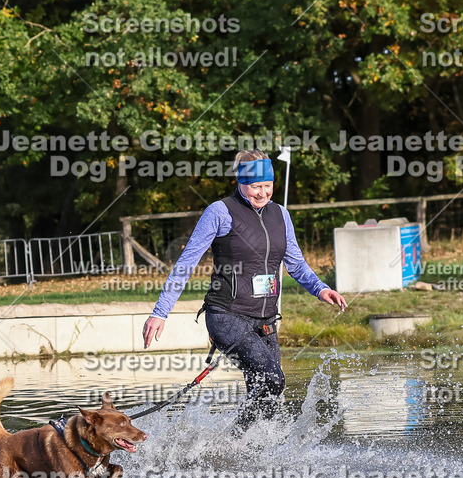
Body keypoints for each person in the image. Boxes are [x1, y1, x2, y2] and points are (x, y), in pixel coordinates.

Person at [142, 150, 348, 429]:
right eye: (255, 186)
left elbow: (296, 263)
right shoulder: (220, 211)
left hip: (265, 320)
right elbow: (186, 262)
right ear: (240, 182)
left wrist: (321, 289)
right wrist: (160, 312)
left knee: (268, 394)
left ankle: (244, 454)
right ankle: (234, 441)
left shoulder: (281, 215)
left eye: (268, 185)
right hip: (226, 316)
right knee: (273, 380)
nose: (263, 193)